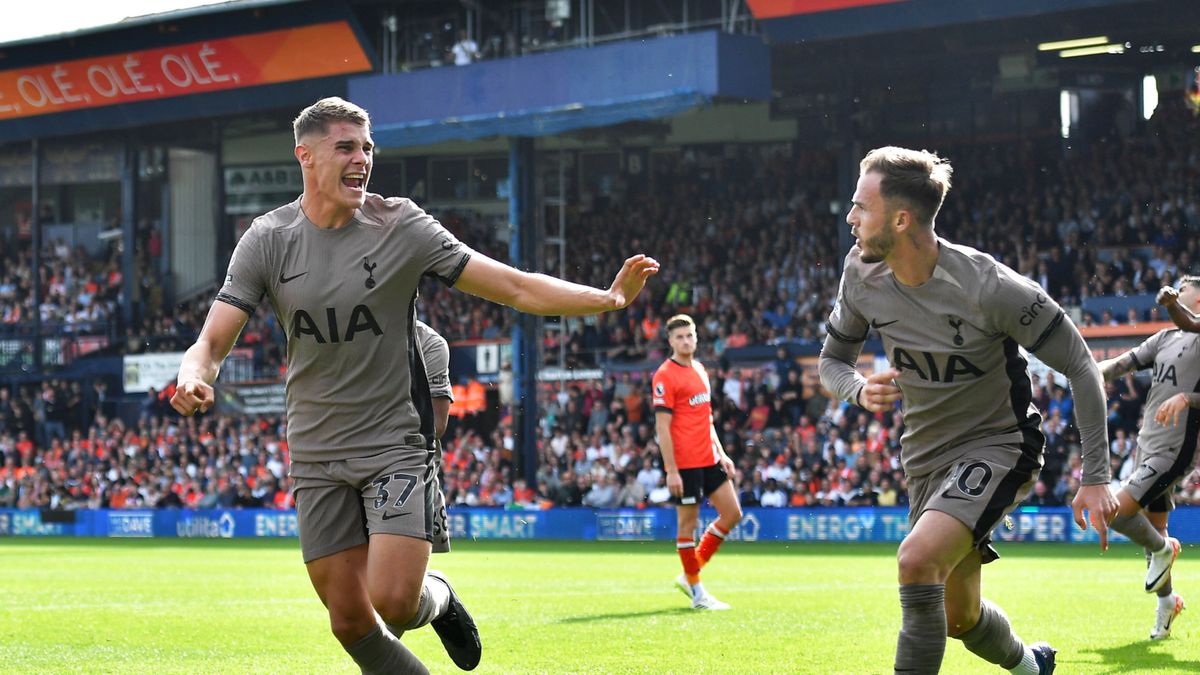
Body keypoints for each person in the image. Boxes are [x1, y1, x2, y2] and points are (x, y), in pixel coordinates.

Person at [170, 97, 658, 674]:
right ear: (305, 155)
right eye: (346, 147)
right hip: (315, 451)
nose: (362, 159)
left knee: (395, 601)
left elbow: (515, 287)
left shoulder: (400, 224)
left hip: (393, 443)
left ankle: (440, 596)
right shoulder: (267, 238)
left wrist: (607, 298)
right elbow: (212, 342)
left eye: (367, 147)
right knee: (350, 623)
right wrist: (192, 375)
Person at [818, 146, 1117, 675]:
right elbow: (832, 362)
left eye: (861, 206)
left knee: (915, 561)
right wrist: (859, 390)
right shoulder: (860, 274)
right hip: (925, 460)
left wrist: (1096, 475)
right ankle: (1033, 667)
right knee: (958, 618)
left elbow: (1081, 364)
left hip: (1000, 444)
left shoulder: (989, 286)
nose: (850, 217)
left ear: (901, 218)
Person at [1094, 279, 1200, 640]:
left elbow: (1189, 321)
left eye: (1184, 287)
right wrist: (1088, 373)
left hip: (1175, 448)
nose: (1177, 288)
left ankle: (1163, 549)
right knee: (1156, 529)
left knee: (1117, 512)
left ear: (1197, 297)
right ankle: (1167, 604)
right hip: (1147, 443)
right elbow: (1123, 363)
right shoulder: (1165, 338)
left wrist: (1188, 398)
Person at [651, 314, 742, 611]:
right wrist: (671, 470)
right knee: (686, 526)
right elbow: (662, 428)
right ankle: (698, 593)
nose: (686, 341)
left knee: (732, 514)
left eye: (690, 335)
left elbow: (707, 418)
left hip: (709, 457)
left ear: (697, 337)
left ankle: (691, 572)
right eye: (680, 337)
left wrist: (723, 453)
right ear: (670, 341)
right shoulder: (665, 375)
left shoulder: (701, 369)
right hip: (686, 462)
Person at [416, 319, 453, 554]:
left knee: (396, 584)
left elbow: (437, 425)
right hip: (350, 458)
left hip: (411, 465)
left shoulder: (429, 343)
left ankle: (438, 589)